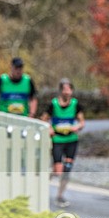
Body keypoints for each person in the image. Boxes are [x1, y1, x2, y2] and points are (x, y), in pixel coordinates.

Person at [40, 78, 85, 207]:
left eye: (69, 89)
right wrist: (49, 128)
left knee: (67, 170)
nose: (67, 92)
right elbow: (43, 119)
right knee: (58, 171)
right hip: (58, 140)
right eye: (64, 90)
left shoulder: (76, 105)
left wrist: (78, 126)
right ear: (60, 91)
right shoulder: (53, 104)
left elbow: (82, 122)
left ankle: (60, 196)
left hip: (71, 140)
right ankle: (44, 181)